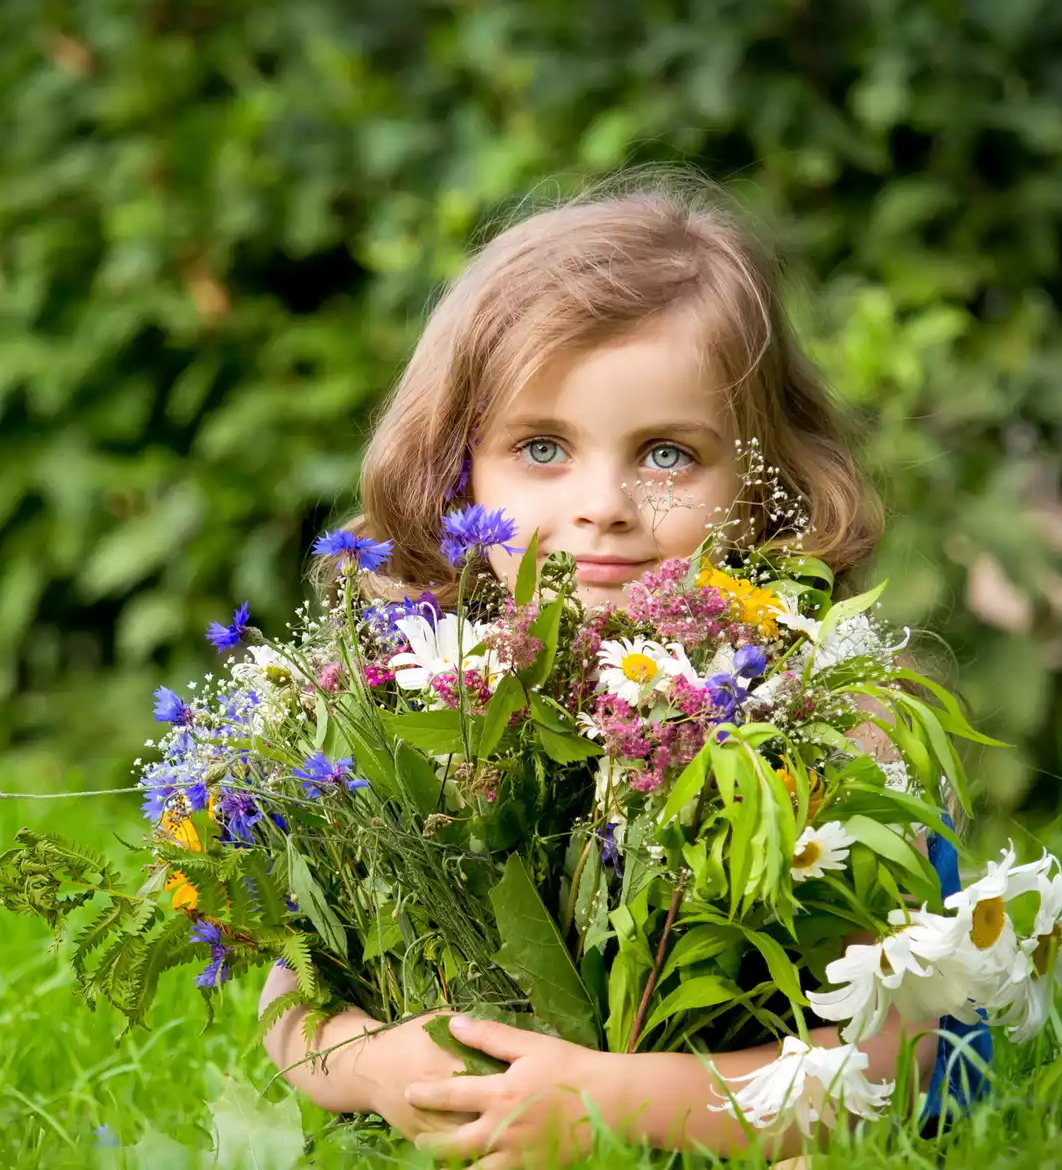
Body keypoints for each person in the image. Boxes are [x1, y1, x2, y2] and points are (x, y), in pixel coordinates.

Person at [265, 168, 992, 1166]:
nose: (603, 504)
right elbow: (291, 997)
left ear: (762, 481)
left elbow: (910, 1055)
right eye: (542, 446)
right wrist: (378, 1068)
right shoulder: (410, 699)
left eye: (666, 456)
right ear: (457, 467)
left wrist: (615, 1104)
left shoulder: (826, 723)